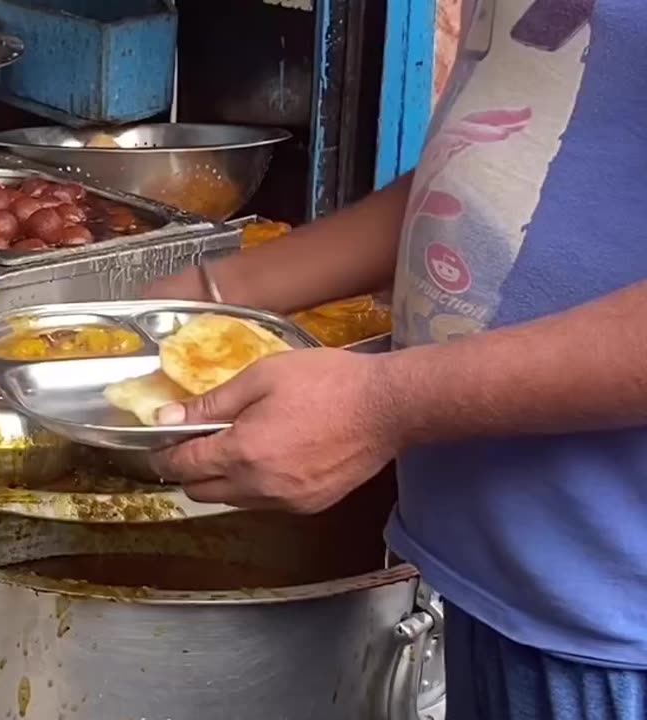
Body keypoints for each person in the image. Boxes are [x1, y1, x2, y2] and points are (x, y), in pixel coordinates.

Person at [143, 1, 647, 718]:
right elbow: (504, 152)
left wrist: (385, 404)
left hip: (614, 629)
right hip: (492, 578)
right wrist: (210, 295)